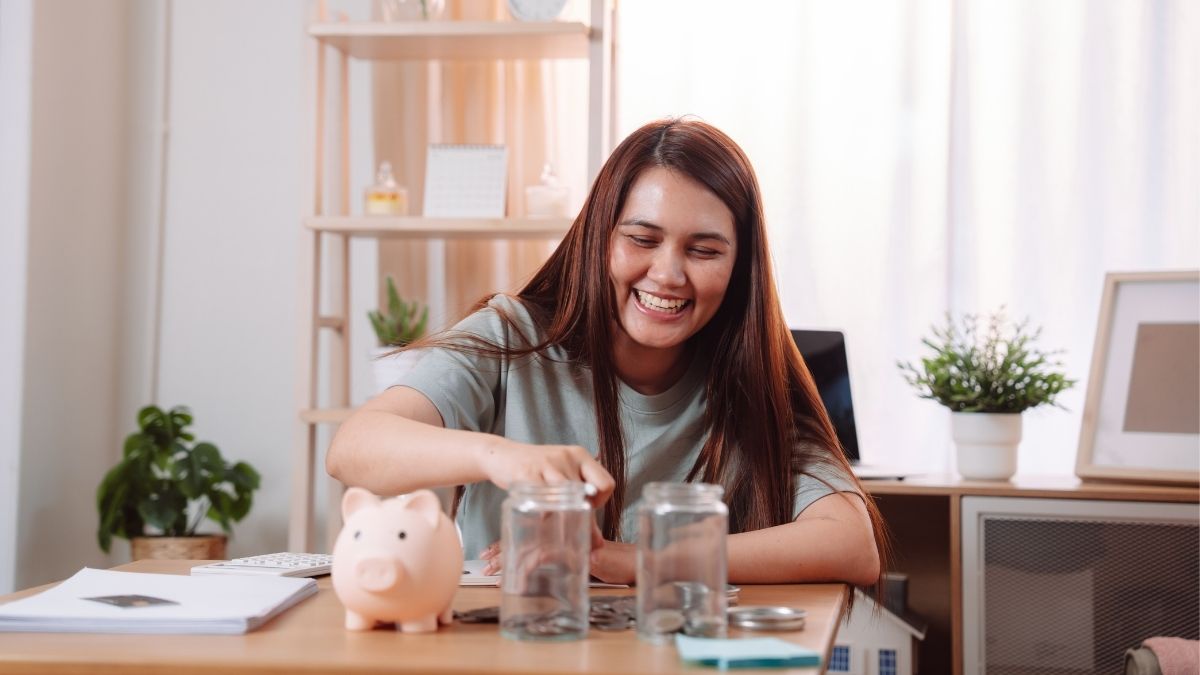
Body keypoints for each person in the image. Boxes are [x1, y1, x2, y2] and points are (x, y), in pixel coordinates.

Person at [327, 118, 885, 587]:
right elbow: (354, 448)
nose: (667, 274)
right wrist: (501, 457)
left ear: (740, 269)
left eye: (704, 250)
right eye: (642, 240)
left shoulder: (755, 380)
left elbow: (852, 544)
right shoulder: (510, 336)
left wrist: (636, 562)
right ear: (600, 237)